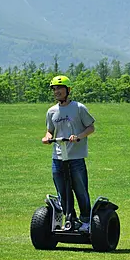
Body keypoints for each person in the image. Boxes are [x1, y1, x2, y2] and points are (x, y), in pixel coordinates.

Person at [42, 75, 95, 232]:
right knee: (62, 191)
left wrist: (78, 136)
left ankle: (86, 220)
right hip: (58, 157)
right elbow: (50, 131)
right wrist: (47, 137)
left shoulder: (79, 108)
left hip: (76, 157)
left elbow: (91, 127)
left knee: (80, 189)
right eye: (54, 89)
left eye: (60, 88)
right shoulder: (51, 111)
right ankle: (69, 219)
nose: (57, 91)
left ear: (68, 90)